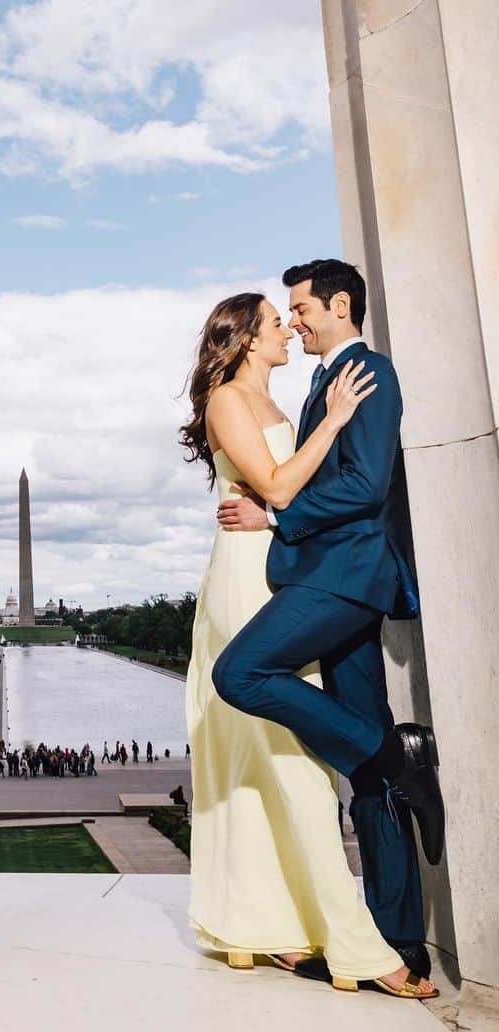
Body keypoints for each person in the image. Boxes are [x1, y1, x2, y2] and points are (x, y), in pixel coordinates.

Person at [180, 285, 436, 999]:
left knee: (287, 766)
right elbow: (278, 488)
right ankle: (343, 939)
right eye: (275, 321)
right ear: (247, 338)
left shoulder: (285, 403)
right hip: (245, 581)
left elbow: (296, 496)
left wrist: (316, 437)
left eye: (295, 315)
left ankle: (280, 924)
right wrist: (332, 424)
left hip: (289, 577)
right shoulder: (230, 398)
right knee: (285, 764)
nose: (288, 328)